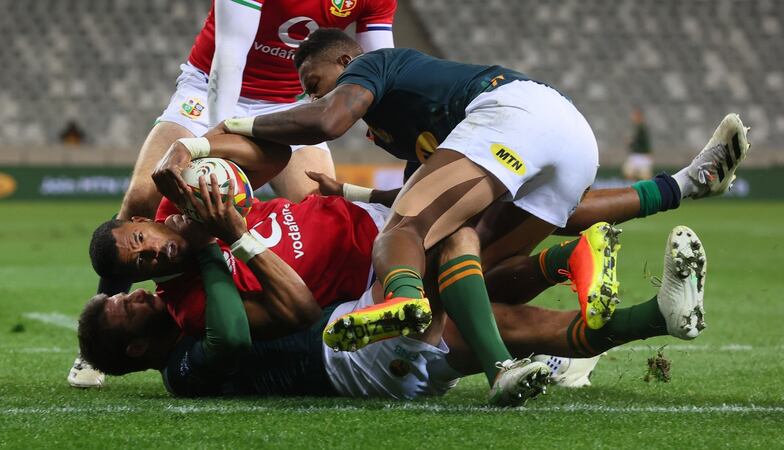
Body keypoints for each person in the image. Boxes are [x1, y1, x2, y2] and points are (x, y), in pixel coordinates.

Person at [152, 29, 749, 402]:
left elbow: (327, 122)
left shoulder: (371, 69)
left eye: (316, 81)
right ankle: (682, 187)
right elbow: (431, 188)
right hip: (567, 140)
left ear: (346, 58)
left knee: (408, 234)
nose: (315, 95)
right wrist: (351, 192)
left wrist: (225, 127)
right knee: (472, 250)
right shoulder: (392, 130)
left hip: (516, 110)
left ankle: (404, 300)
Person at [80, 200, 709, 402]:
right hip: (352, 359)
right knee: (471, 276)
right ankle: (601, 282)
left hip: (361, 336)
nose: (141, 295)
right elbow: (232, 337)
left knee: (487, 300)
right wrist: (212, 247)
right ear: (133, 348)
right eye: (127, 306)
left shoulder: (178, 314)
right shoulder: (181, 371)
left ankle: (644, 306)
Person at [72, 0, 398, 388]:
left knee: (317, 198)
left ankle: (317, 326)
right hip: (211, 86)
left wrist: (393, 123)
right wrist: (208, 149)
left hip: (287, 99)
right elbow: (229, 53)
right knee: (143, 196)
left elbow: (379, 61)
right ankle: (101, 334)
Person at [622, 108, 654, 181]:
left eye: (635, 116)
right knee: (628, 172)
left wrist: (630, 141)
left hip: (642, 155)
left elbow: (643, 142)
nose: (632, 117)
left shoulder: (642, 128)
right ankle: (634, 185)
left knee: (645, 176)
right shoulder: (636, 127)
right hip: (636, 155)